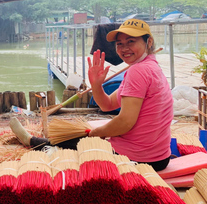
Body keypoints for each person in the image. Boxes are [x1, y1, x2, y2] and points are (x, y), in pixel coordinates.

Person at [10, 19, 173, 171]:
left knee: (77, 142)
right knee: (84, 137)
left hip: (136, 158)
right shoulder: (151, 67)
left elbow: (124, 122)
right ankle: (35, 141)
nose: (124, 49)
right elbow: (107, 104)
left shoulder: (138, 71)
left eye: (131, 42)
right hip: (160, 157)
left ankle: (32, 141)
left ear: (148, 42)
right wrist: (96, 84)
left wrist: (97, 133)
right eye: (119, 44)